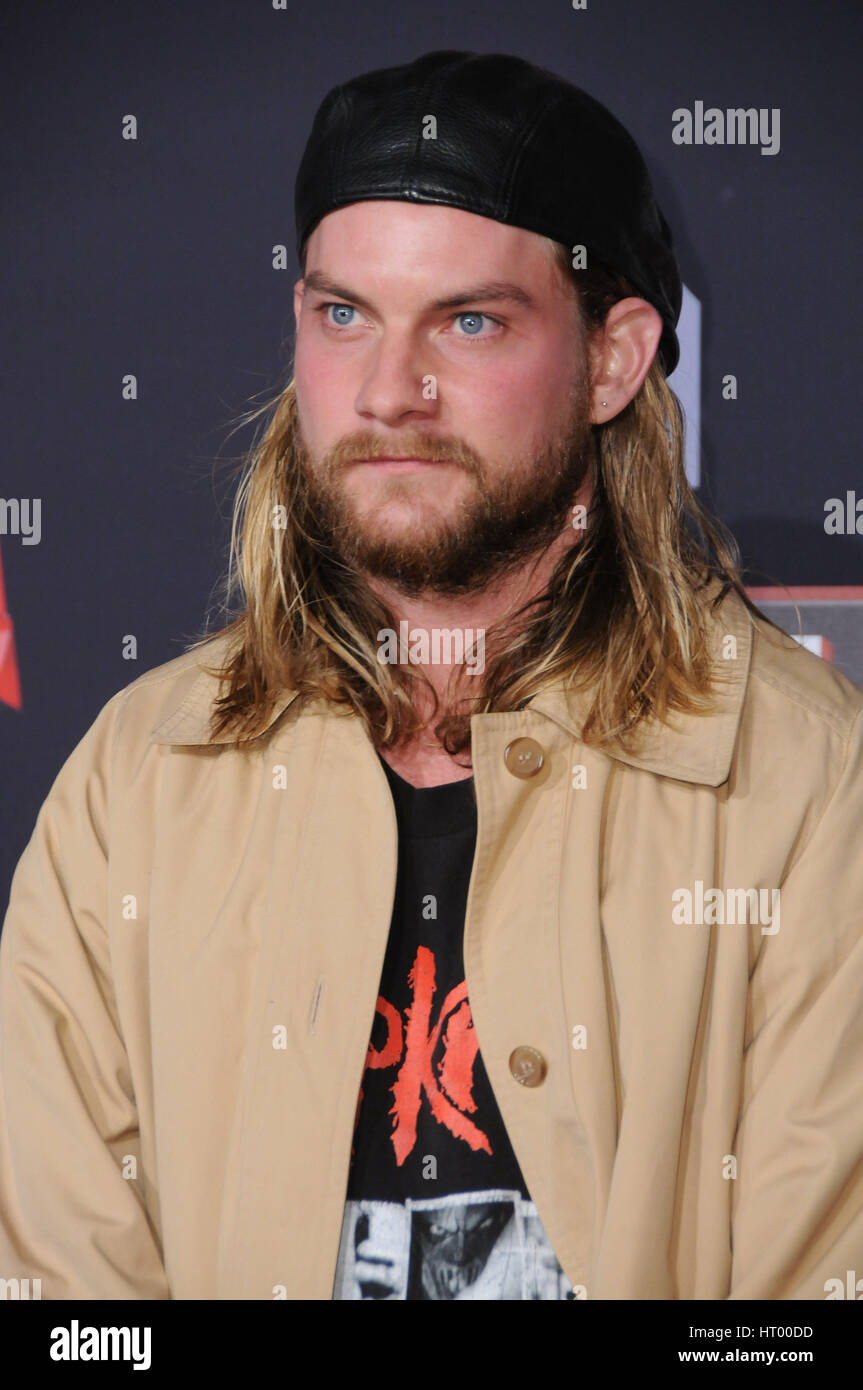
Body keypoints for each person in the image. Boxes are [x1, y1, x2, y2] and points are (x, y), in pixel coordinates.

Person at [1, 49, 862, 1302]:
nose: (389, 391)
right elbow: (63, 1310)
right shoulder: (137, 787)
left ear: (614, 360)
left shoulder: (801, 788)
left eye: (468, 322)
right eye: (343, 314)